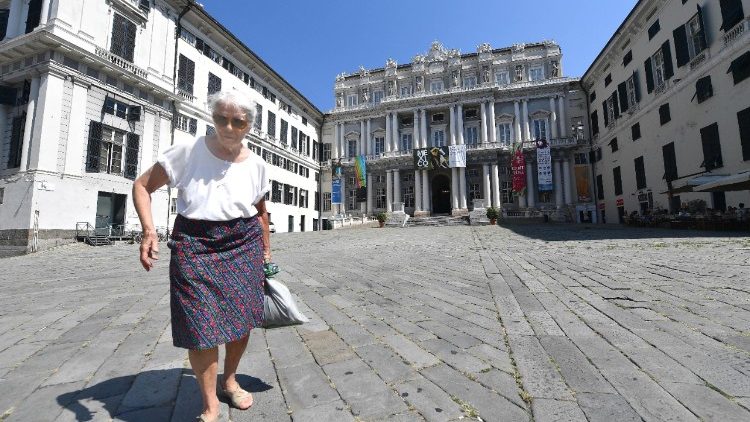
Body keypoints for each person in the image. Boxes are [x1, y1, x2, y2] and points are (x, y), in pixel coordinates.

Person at [132, 89, 271, 422]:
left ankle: (230, 379)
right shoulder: (188, 151)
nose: (228, 127)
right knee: (200, 326)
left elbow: (261, 211)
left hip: (243, 244)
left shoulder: (258, 164)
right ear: (212, 117)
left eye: (238, 121)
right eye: (222, 118)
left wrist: (266, 251)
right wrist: (149, 232)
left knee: (241, 323)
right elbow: (142, 186)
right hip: (194, 244)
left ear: (249, 125)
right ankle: (210, 403)